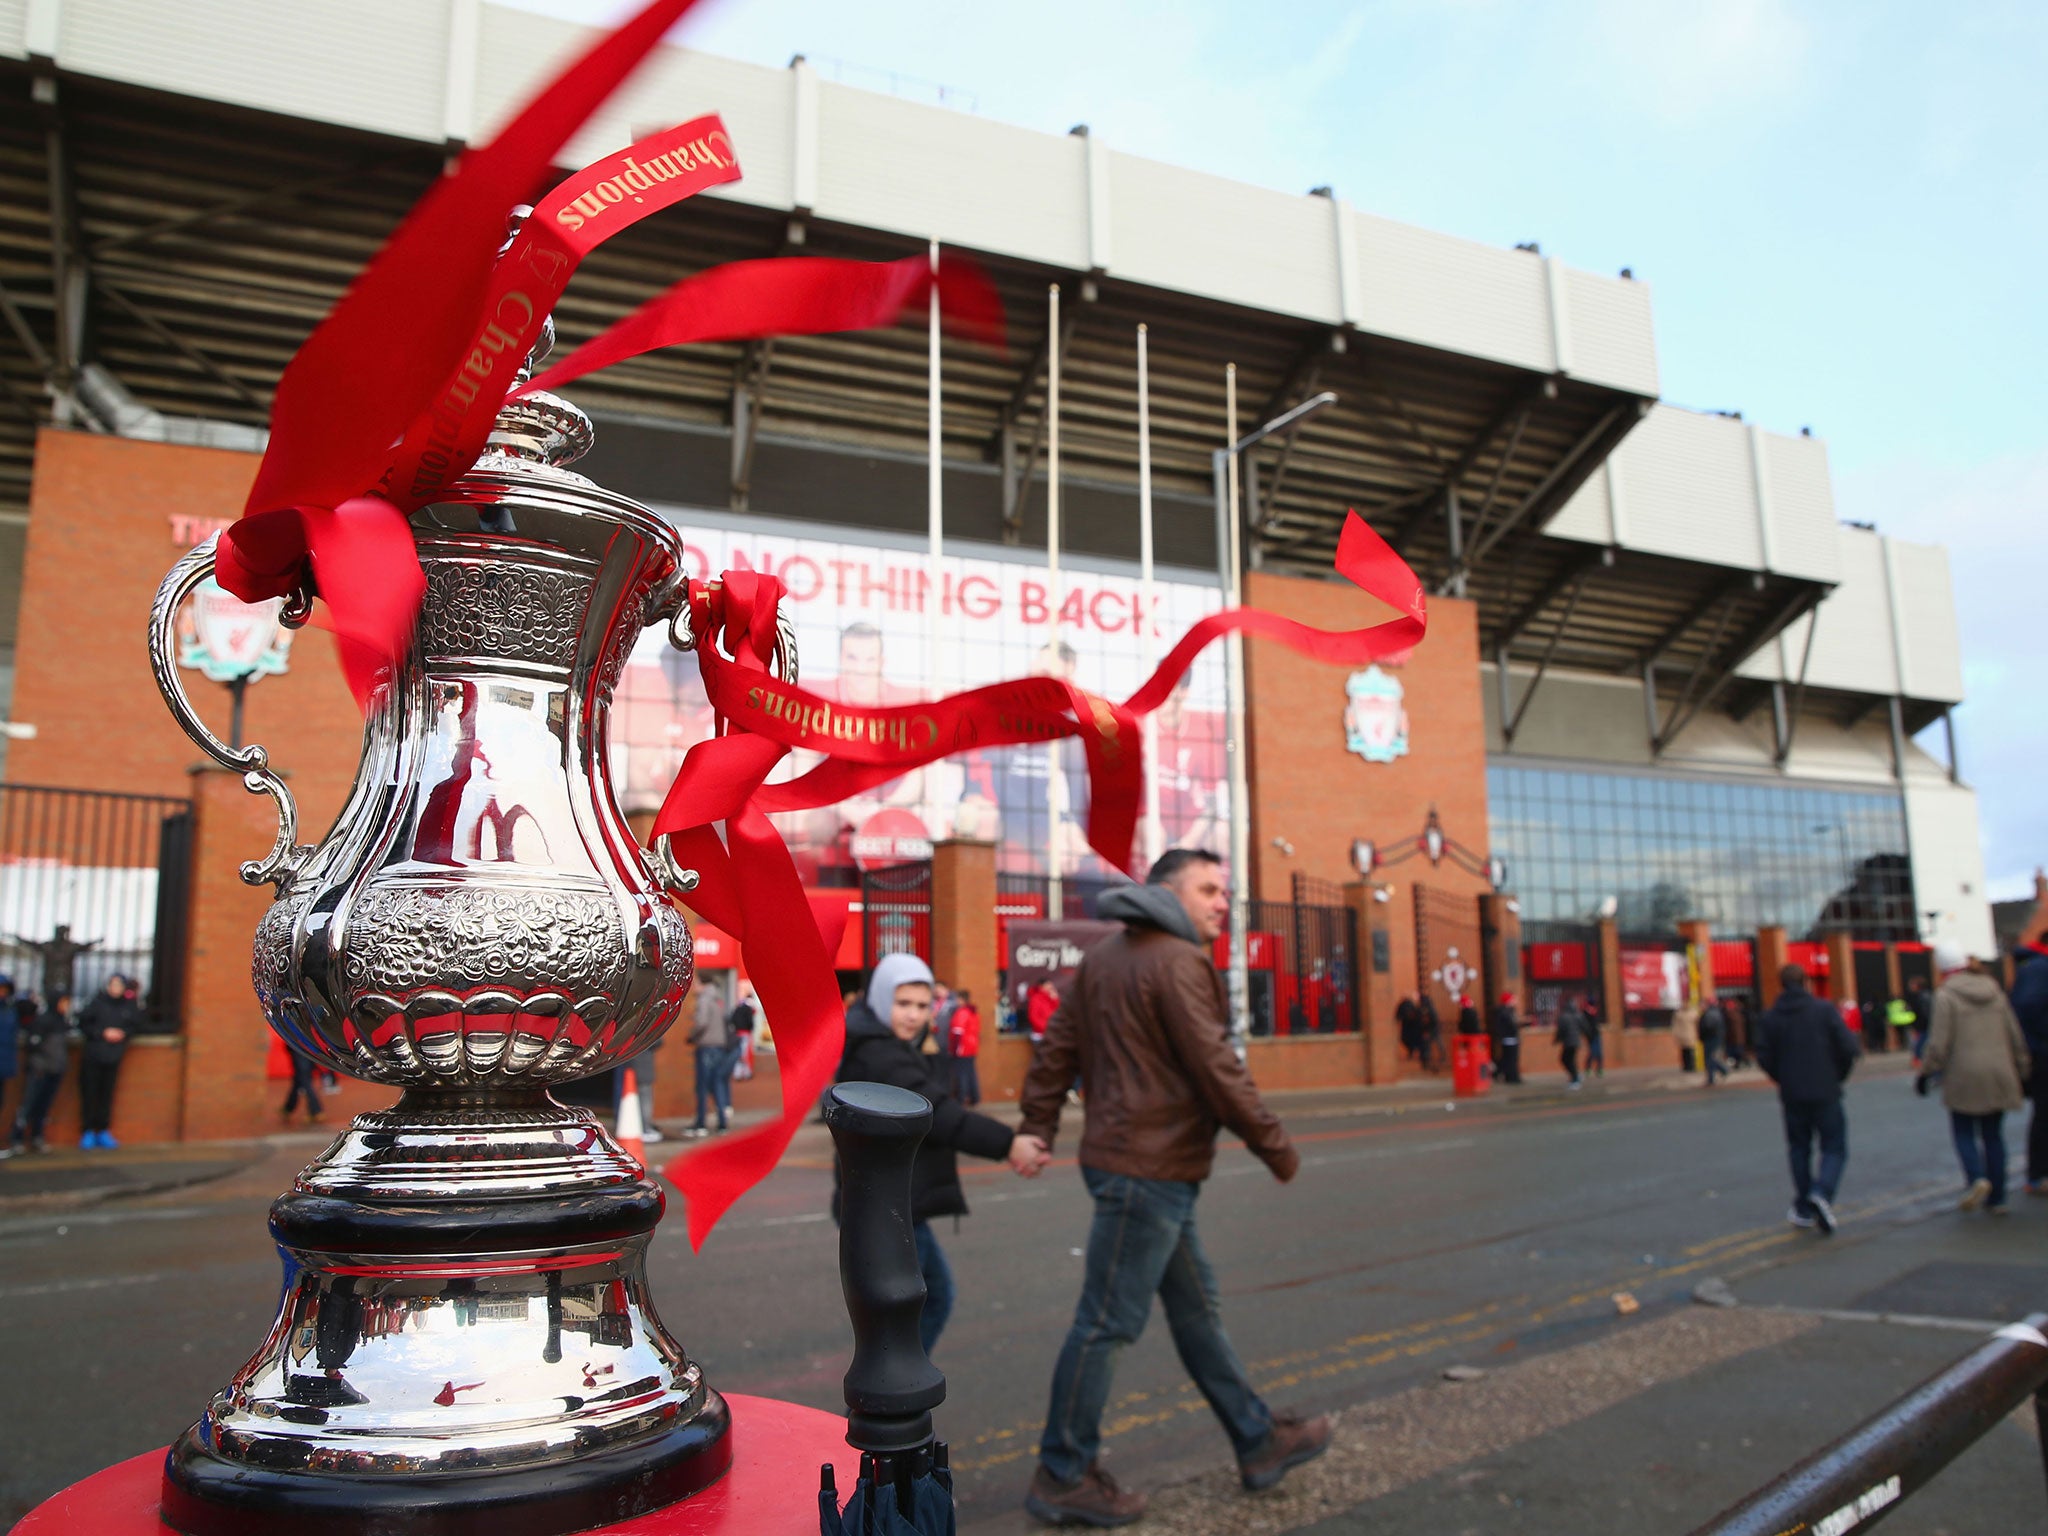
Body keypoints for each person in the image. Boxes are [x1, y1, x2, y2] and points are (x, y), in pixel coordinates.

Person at [1017, 849, 1328, 1526]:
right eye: (1209, 889)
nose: (1222, 902)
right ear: (1166, 894)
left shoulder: (1102, 959)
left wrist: (1038, 1125)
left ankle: (1257, 1439)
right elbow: (1217, 1066)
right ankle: (1062, 1472)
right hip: (1146, 1171)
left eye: (1225, 890)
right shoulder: (1178, 961)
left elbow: (1055, 1051)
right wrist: (1273, 1142)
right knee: (1106, 1323)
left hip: (1138, 1167)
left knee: (1196, 1313)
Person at [835, 953, 1048, 1354]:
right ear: (882, 1000)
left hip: (892, 1203)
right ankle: (885, 1402)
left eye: (922, 1005)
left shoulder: (890, 1045)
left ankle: (888, 1399)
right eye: (903, 1004)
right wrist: (1009, 1143)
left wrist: (928, 1049)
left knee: (914, 1308)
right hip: (884, 1206)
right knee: (924, 1306)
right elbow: (939, 1112)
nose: (914, 1016)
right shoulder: (880, 1056)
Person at [1921, 944, 2030, 1214]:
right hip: (1999, 1071)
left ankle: (1976, 1178)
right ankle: (1999, 1198)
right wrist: (2022, 1067)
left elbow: (1939, 1043)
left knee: (1963, 1131)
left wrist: (1926, 1072)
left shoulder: (1946, 995)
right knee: (1993, 1136)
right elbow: (2014, 1034)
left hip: (1964, 1073)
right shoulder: (1994, 990)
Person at [1755, 963, 1859, 1234]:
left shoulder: (1772, 1017)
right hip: (1825, 1088)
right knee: (1834, 1146)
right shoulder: (1824, 1010)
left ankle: (1804, 1205)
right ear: (1806, 982)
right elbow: (1848, 1047)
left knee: (1799, 1148)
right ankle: (1821, 1193)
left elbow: (1764, 1055)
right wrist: (1837, 1075)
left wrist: (1782, 1076)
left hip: (1792, 1092)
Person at [75, 973, 139, 1149]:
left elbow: (136, 1025)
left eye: (119, 985)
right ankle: (87, 1130)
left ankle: (103, 1130)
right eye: (113, 985)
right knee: (89, 1093)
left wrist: (123, 1034)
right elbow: (82, 1023)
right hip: (93, 1056)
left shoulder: (128, 1007)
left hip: (113, 1057)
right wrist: (102, 1033)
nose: (116, 988)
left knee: (107, 1095)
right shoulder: (97, 1003)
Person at [2011, 937, 2048, 1196]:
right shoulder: (2039, 968)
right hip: (2042, 1055)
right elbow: (2028, 1007)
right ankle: (2037, 1175)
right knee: (2044, 1114)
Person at [9, 992, 67, 1153]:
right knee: (28, 1104)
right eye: (64, 1002)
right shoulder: (43, 1021)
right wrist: (40, 1064)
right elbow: (33, 1045)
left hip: (55, 1069)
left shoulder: (61, 1021)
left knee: (43, 1106)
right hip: (40, 1070)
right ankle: (17, 1137)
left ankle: (37, 1136)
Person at [687, 981, 735, 1137]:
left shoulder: (704, 999)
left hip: (706, 1047)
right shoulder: (717, 1000)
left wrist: (692, 1036)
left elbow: (701, 1022)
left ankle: (701, 1123)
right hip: (719, 1047)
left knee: (702, 1087)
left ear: (703, 984)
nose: (693, 988)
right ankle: (722, 1123)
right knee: (717, 1084)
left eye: (696, 984)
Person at [948, 988, 983, 1106]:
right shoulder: (973, 1012)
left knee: (961, 1075)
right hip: (972, 1047)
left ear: (962, 999)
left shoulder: (961, 1012)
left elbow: (958, 1032)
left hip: (962, 1048)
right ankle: (975, 1097)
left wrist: (954, 1049)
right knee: (971, 1073)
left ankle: (961, 1098)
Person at [281, 1046, 324, 1125]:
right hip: (309, 1052)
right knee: (298, 1081)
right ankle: (288, 1108)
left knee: (305, 1082)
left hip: (300, 1052)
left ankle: (316, 1110)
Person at [1488, 992, 1522, 1085]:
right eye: (1513, 999)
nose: (1515, 1001)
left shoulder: (1509, 1011)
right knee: (1511, 1058)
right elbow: (1510, 1025)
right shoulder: (1505, 1012)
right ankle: (1511, 1076)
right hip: (1509, 1038)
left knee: (1508, 1058)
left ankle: (1506, 1074)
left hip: (1510, 1038)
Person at [1699, 996, 1728, 1086]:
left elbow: (1709, 1027)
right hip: (1711, 1038)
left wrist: (1704, 1034)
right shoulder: (1711, 1013)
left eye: (1701, 1005)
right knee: (1709, 1058)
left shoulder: (1711, 1013)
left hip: (1711, 1038)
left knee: (1709, 1058)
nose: (1700, 1007)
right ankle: (1713, 1076)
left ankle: (1721, 1071)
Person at [1556, 999, 1584, 1089]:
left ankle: (1575, 1079)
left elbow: (1560, 1030)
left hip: (1568, 1042)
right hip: (1576, 1042)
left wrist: (1557, 1039)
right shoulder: (1578, 1016)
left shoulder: (1563, 1017)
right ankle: (1575, 1076)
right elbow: (1584, 1027)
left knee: (1566, 1059)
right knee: (1570, 1060)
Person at [1905, 974, 1933, 1063]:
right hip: (1923, 1025)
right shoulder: (1922, 996)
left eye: (1912, 984)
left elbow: (1926, 1012)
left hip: (1925, 1025)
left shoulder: (1923, 996)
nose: (1910, 987)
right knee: (1921, 1042)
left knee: (1921, 1043)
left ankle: (1918, 1059)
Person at [1026, 978, 1061, 1043]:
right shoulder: (1035, 999)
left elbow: (1059, 1013)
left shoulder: (1051, 998)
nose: (1050, 987)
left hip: (1053, 1034)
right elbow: (1033, 1017)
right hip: (1040, 1035)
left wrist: (1055, 1000)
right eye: (1048, 985)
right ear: (1041, 986)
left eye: (1051, 986)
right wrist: (1047, 1028)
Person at [1580, 993, 1605, 1078]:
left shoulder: (1593, 1011)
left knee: (1598, 1052)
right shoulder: (1587, 1012)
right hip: (1591, 1034)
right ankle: (1589, 1068)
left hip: (1595, 1033)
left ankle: (1599, 1068)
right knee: (1593, 1052)